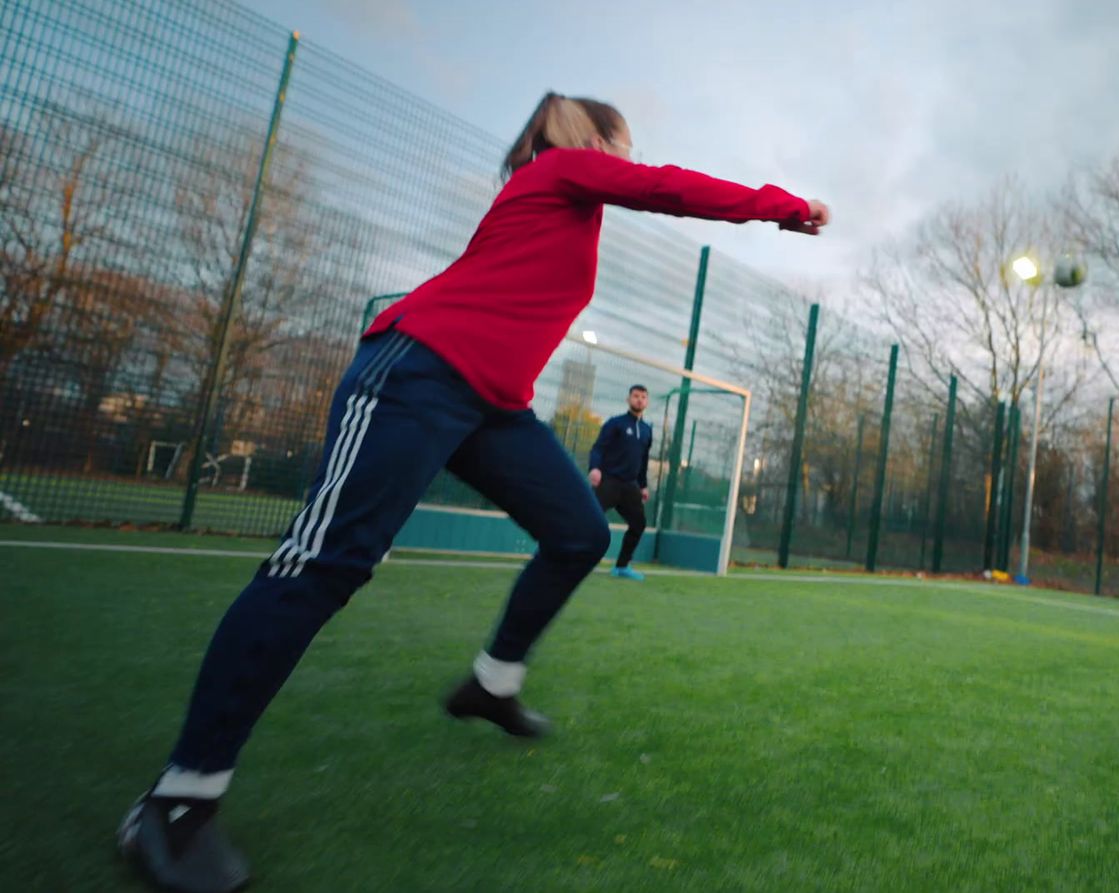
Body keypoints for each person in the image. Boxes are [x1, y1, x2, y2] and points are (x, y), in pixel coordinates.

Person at [118, 91, 829, 893]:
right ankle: (177, 800)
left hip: (493, 405)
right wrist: (783, 207)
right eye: (622, 145)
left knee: (579, 532)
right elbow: (663, 185)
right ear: (595, 140)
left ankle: (491, 684)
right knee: (325, 565)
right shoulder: (558, 170)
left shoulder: (566, 201)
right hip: (417, 372)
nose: (627, 160)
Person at [589, 385, 652, 580]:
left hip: (629, 486)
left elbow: (643, 460)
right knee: (589, 520)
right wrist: (595, 468)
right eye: (636, 396)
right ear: (628, 399)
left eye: (643, 397)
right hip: (609, 481)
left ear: (646, 402)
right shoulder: (615, 423)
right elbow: (598, 448)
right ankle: (571, 558)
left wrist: (642, 485)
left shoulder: (647, 430)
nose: (639, 400)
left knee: (639, 523)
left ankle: (622, 567)